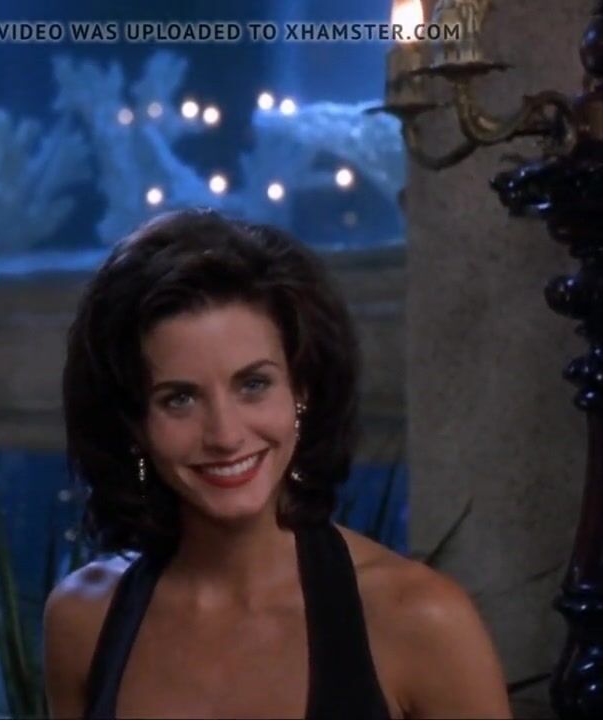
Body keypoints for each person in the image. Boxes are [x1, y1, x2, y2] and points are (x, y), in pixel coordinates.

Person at [45, 210, 510, 719]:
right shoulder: (83, 621)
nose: (225, 436)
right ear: (134, 424)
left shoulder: (421, 620)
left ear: (301, 391)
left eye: (253, 385)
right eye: (179, 399)